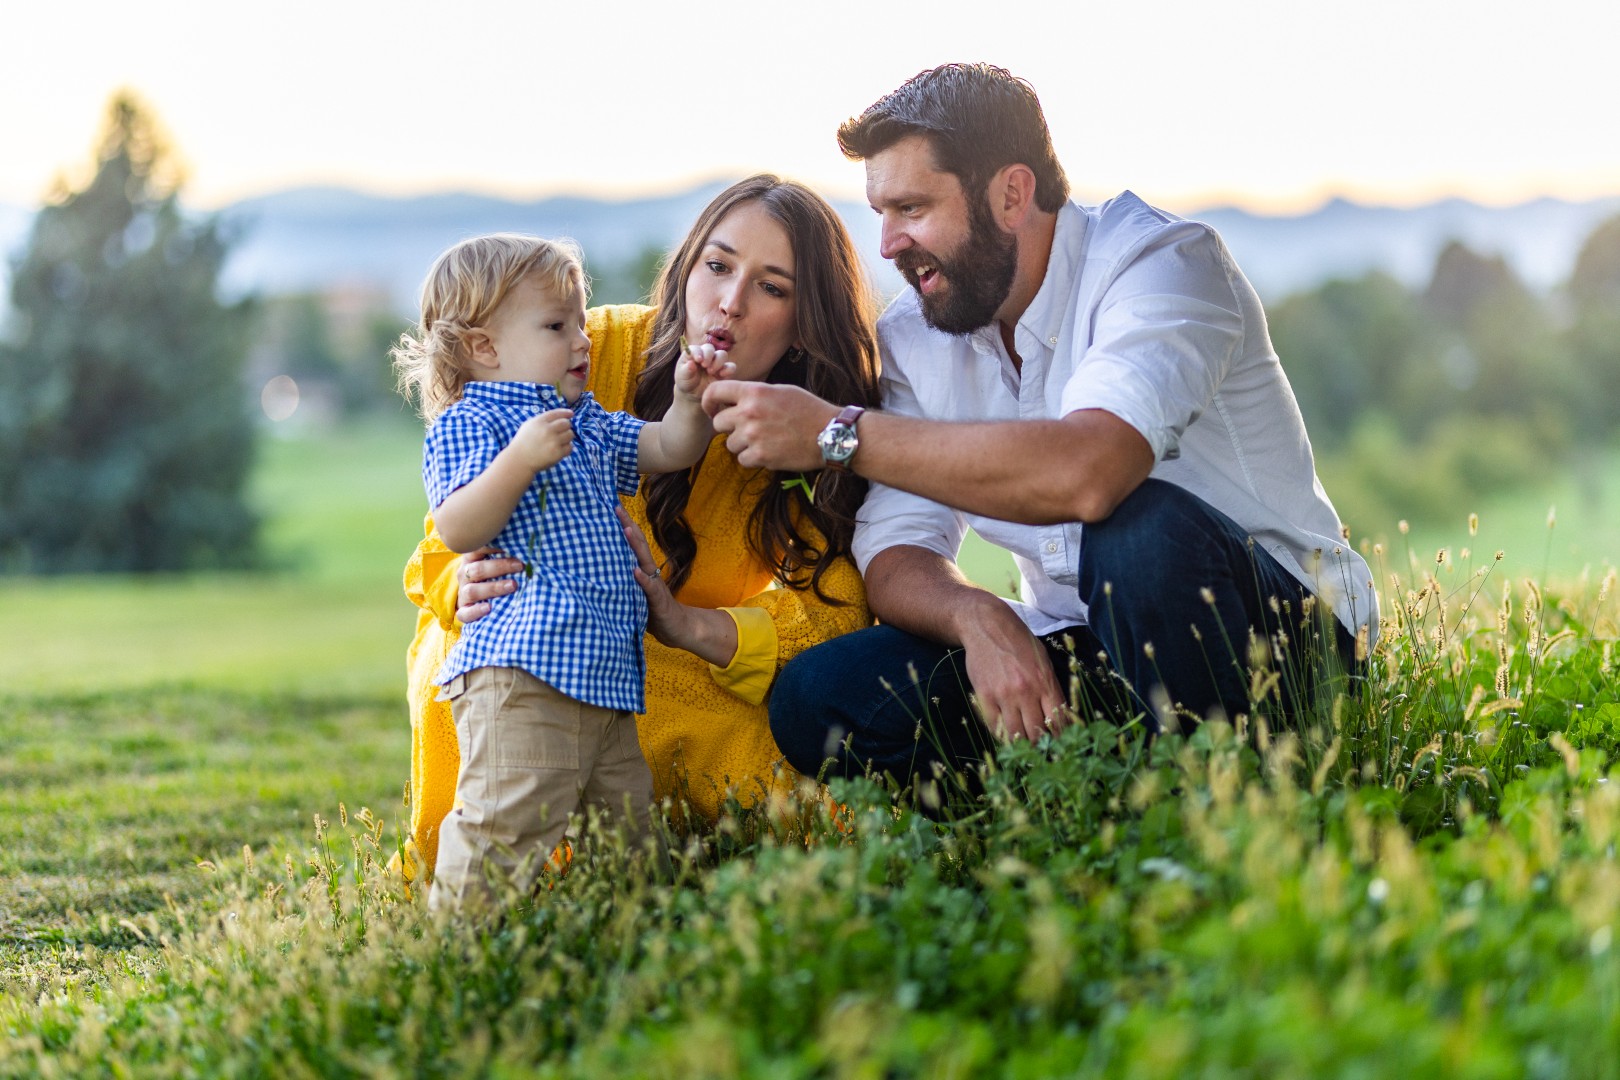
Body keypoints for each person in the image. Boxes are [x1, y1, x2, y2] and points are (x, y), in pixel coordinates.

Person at [701, 64, 1379, 795]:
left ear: (1011, 195)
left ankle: (1228, 812)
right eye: (881, 214)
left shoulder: (1163, 265)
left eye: (912, 209)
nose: (890, 244)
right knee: (818, 697)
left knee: (1138, 529)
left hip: (1282, 647)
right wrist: (976, 615)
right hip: (1088, 653)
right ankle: (1080, 804)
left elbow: (1090, 471)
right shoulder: (916, 337)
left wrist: (841, 434)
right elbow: (897, 546)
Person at [399, 176, 884, 889]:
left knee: (773, 790)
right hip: (526, 638)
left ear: (807, 317)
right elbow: (446, 532)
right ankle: (473, 901)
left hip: (663, 656)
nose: (730, 302)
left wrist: (688, 624)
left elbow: (838, 607)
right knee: (477, 690)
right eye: (717, 267)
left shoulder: (824, 421)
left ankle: (633, 894)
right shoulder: (585, 349)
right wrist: (457, 581)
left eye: (772, 287)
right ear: (687, 266)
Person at [395, 234, 732, 909]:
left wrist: (690, 403)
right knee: (506, 820)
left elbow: (667, 447)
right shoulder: (474, 422)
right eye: (556, 325)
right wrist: (520, 460)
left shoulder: (586, 422)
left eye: (580, 321)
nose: (583, 340)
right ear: (484, 348)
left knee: (628, 832)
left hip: (603, 678)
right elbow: (459, 526)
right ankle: (456, 950)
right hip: (521, 673)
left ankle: (634, 929)